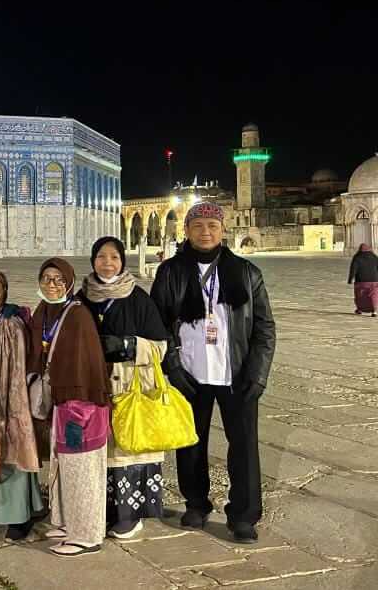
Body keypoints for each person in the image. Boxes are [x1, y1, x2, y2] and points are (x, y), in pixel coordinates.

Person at [151, 202, 277, 544]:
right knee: (191, 442)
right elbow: (158, 326)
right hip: (190, 373)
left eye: (212, 225)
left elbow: (264, 328)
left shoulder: (247, 273)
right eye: (198, 225)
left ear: (223, 231)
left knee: (244, 447)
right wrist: (173, 368)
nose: (205, 232)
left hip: (236, 373)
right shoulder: (170, 272)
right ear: (187, 230)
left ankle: (243, 516)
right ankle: (196, 503)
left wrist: (258, 374)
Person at [78, 237, 170, 540]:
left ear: (122, 261)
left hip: (131, 388)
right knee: (100, 452)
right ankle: (102, 510)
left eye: (114, 257)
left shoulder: (138, 298)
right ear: (92, 260)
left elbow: (160, 348)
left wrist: (128, 345)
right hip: (96, 388)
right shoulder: (82, 298)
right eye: (101, 257)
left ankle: (131, 515)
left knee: (128, 449)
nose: (107, 263)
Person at [29, 258, 110, 556]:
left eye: (58, 280)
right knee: (63, 467)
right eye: (46, 279)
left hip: (82, 408)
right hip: (64, 405)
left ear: (69, 282)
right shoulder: (50, 312)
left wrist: (77, 405)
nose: (52, 285)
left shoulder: (77, 316)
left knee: (81, 471)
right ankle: (66, 522)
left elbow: (85, 366)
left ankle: (86, 535)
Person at [0, 269, 42, 541]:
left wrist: (8, 403)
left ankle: (19, 516)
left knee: (12, 452)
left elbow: (18, 367)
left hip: (10, 400)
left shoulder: (12, 323)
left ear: (4, 293)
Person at [348, 243, 378, 317]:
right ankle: (374, 311)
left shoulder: (357, 257)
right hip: (374, 280)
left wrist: (350, 279)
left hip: (361, 281)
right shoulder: (374, 257)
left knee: (360, 295)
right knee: (373, 295)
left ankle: (360, 309)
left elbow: (353, 269)